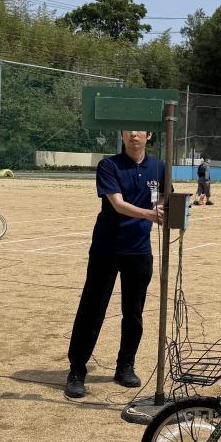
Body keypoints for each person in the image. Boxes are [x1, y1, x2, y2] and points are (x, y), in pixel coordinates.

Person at [65, 130, 166, 399]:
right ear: (121, 134)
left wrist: (165, 208)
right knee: (92, 310)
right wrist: (150, 214)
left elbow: (164, 198)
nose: (133, 135)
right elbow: (118, 204)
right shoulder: (109, 165)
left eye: (139, 130)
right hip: (106, 249)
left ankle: (125, 366)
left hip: (139, 250)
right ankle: (77, 370)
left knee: (133, 312)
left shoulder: (159, 167)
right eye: (128, 130)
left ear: (149, 135)